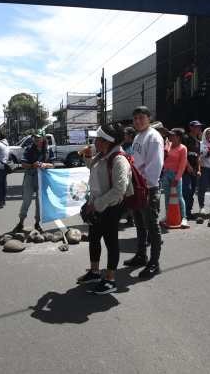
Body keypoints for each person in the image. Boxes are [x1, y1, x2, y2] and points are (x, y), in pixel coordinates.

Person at [76, 123, 133, 294]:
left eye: (98, 139)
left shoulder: (119, 159)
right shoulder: (102, 155)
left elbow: (119, 190)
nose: (95, 142)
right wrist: (87, 157)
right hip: (97, 204)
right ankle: (94, 272)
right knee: (94, 238)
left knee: (111, 241)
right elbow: (93, 168)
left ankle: (110, 279)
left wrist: (97, 204)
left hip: (111, 207)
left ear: (107, 141)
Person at [123, 106, 164, 277]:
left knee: (152, 226)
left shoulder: (153, 137)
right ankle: (141, 255)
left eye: (141, 117)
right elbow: (135, 160)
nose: (138, 121)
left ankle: (154, 263)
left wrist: (144, 185)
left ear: (149, 118)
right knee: (140, 224)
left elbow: (155, 166)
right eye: (135, 119)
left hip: (147, 188)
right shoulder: (139, 136)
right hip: (137, 187)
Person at [13, 130, 54, 233]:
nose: (36, 139)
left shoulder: (48, 150)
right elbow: (23, 164)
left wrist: (45, 165)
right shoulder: (29, 149)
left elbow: (53, 164)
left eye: (38, 137)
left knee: (39, 203)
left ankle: (37, 223)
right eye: (35, 137)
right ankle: (21, 222)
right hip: (30, 177)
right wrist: (32, 165)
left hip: (42, 179)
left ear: (43, 138)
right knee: (26, 201)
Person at [162, 128, 188, 227]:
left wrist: (177, 178)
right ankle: (168, 215)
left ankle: (184, 217)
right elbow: (163, 158)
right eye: (170, 135)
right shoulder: (167, 145)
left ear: (178, 137)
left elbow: (183, 164)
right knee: (167, 196)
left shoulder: (183, 148)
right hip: (166, 173)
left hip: (175, 174)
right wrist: (166, 148)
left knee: (179, 196)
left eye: (173, 135)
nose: (170, 136)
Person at [182, 120, 203, 218]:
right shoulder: (185, 138)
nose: (198, 128)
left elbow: (198, 156)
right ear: (191, 127)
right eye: (196, 126)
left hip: (194, 169)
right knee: (187, 190)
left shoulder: (198, 141)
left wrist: (199, 169)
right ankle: (184, 212)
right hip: (185, 169)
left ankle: (189, 212)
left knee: (192, 191)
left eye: (199, 127)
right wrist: (188, 166)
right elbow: (183, 154)